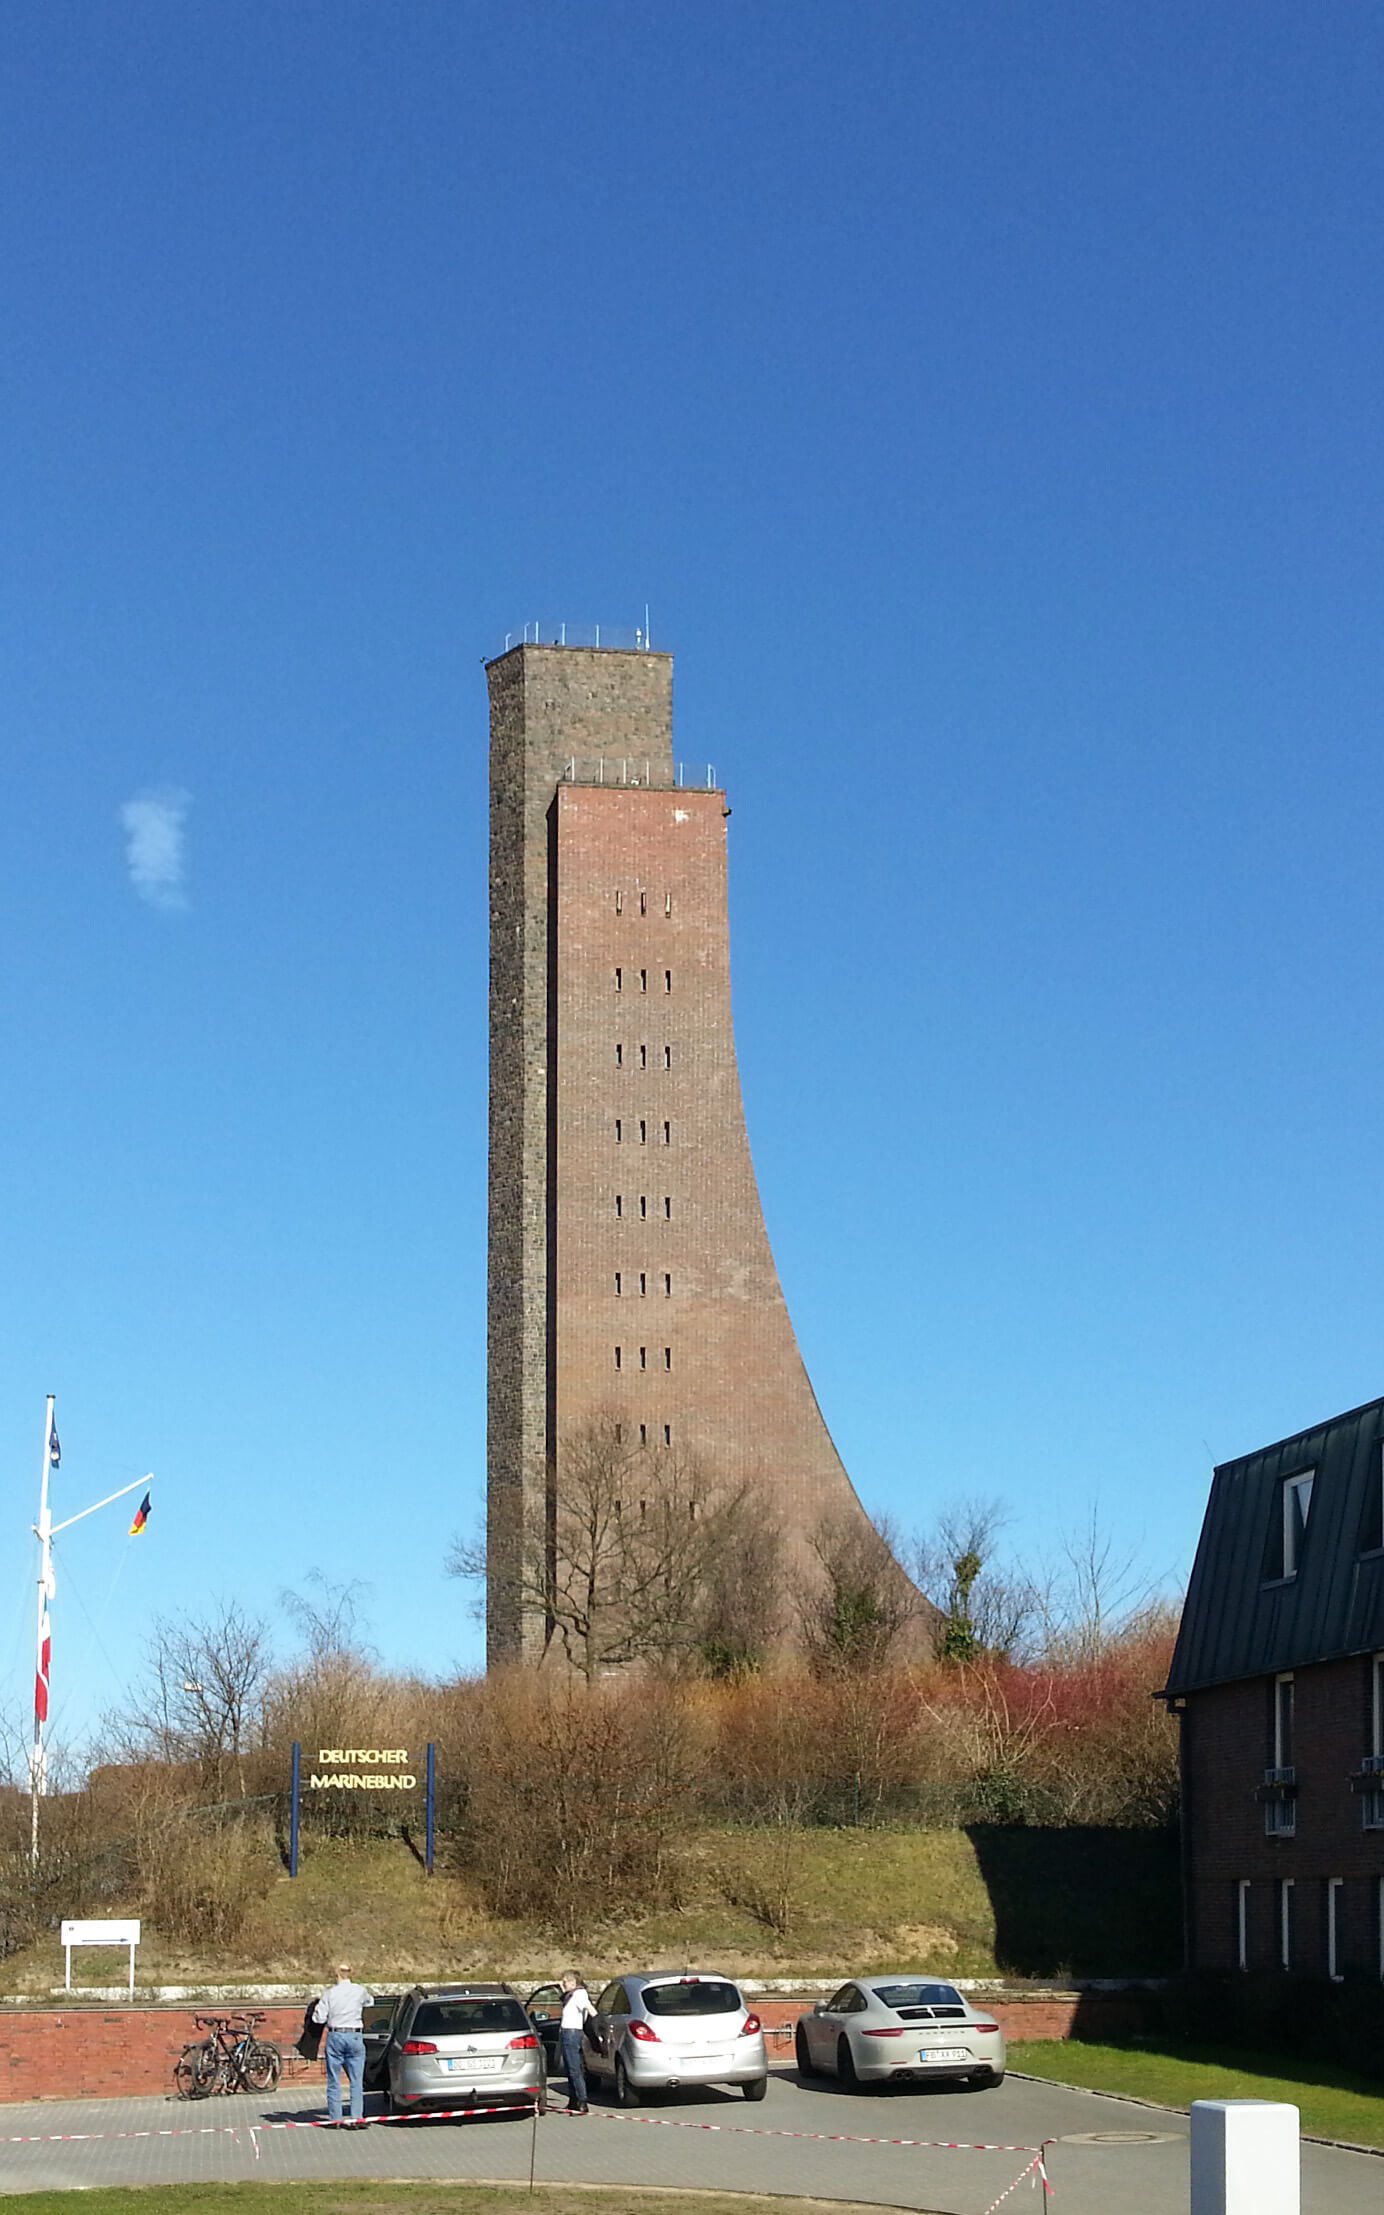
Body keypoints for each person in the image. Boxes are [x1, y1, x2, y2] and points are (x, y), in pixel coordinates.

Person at [312, 1961, 374, 2127]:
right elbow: (370, 2002)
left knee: (333, 2080)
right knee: (356, 2080)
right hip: (354, 2035)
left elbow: (318, 2019)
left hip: (336, 2035)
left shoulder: (329, 1994)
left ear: (336, 1975)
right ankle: (356, 2118)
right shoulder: (359, 1990)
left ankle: (335, 2119)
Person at [558, 1971, 594, 2113]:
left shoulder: (579, 1994)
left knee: (574, 2068)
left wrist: (597, 2020)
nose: (563, 1984)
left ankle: (582, 2100)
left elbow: (588, 2007)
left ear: (573, 1983)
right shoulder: (570, 1995)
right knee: (569, 2067)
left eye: (565, 1981)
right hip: (567, 2032)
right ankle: (573, 2100)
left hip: (572, 2032)